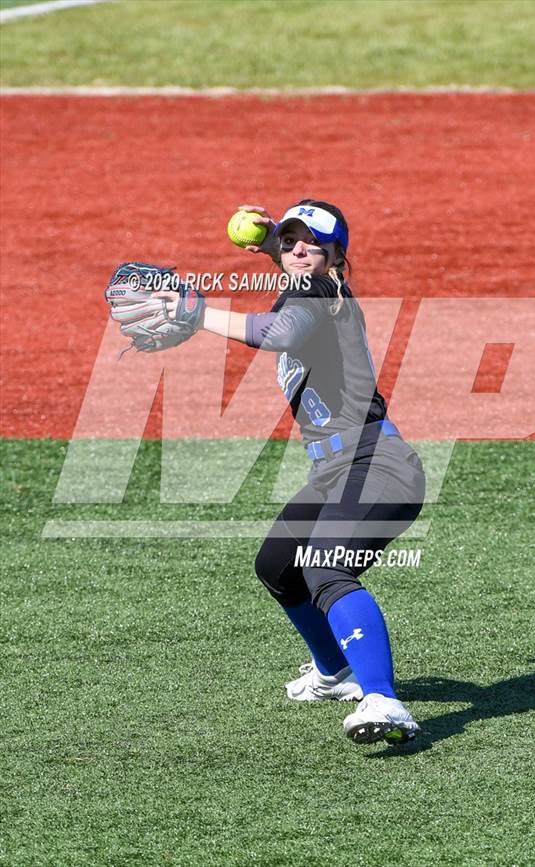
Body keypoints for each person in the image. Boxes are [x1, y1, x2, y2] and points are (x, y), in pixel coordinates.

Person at [159, 200, 425, 744]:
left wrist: (195, 311)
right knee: (279, 565)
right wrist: (270, 244)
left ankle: (384, 698)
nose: (300, 249)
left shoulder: (319, 290)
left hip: (377, 465)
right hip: (336, 470)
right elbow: (291, 286)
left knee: (326, 568)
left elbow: (278, 333)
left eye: (313, 242)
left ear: (337, 255)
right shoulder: (306, 284)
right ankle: (336, 673)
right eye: (290, 241)